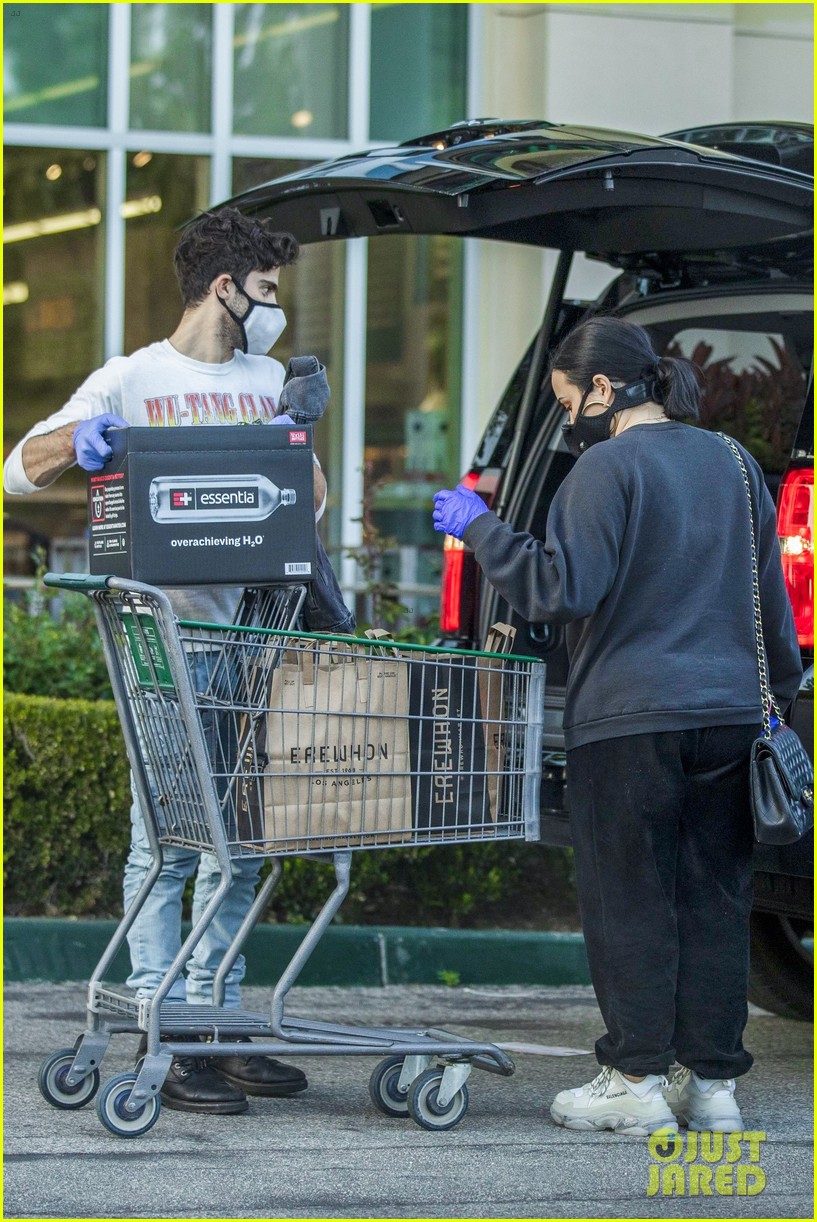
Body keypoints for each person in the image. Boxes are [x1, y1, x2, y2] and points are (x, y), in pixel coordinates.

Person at [3, 207, 352, 1115]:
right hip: (163, 640)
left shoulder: (270, 375)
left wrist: (299, 432)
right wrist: (76, 447)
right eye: (267, 292)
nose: (276, 311)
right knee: (163, 839)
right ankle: (167, 1022)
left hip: (251, 635)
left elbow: (302, 510)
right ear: (226, 288)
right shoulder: (132, 378)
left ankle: (215, 1019)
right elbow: (15, 468)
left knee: (237, 841)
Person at [432, 315, 802, 1137]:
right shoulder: (735, 463)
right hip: (731, 715)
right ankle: (710, 1088)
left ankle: (634, 1077)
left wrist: (478, 526)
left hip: (629, 721)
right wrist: (776, 692)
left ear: (602, 390)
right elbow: (769, 597)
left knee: (629, 897)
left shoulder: (604, 468)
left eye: (568, 403)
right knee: (713, 898)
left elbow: (560, 590)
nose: (568, 421)